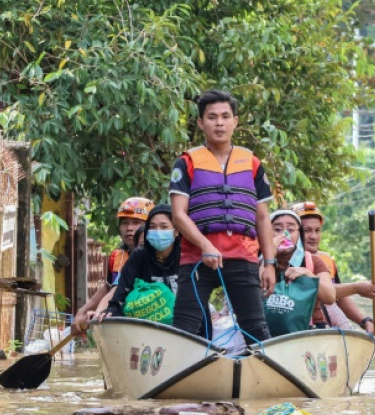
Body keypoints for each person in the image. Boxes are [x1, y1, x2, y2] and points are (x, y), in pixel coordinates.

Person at [169, 90, 276, 341]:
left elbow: (262, 218)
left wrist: (269, 263)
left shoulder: (252, 163)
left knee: (256, 328)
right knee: (185, 328)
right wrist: (206, 245)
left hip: (243, 255)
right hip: (197, 258)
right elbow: (178, 215)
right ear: (201, 123)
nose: (219, 122)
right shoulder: (186, 163)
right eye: (212, 117)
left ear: (235, 121)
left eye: (225, 116)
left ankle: (263, 377)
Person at [291, 201, 375, 335]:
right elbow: (326, 294)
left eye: (317, 230)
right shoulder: (287, 259)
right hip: (299, 327)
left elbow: (339, 297)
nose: (313, 236)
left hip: (326, 326)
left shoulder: (326, 259)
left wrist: (365, 321)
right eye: (307, 230)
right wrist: (357, 288)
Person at [73, 197, 153, 332]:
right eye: (125, 223)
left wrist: (98, 313)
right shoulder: (118, 256)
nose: (129, 228)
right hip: (121, 320)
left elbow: (116, 290)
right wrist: (83, 311)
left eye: (136, 222)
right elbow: (109, 287)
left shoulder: (156, 255)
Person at [100, 204, 181, 319]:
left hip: (185, 324)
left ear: (176, 231)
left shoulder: (187, 256)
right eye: (152, 227)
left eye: (164, 227)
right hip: (145, 326)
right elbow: (120, 292)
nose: (158, 231)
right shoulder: (138, 256)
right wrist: (111, 310)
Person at [266, 209, 336, 328]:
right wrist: (270, 254)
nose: (285, 235)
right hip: (265, 333)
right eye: (278, 229)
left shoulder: (313, 261)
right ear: (266, 233)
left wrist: (308, 275)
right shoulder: (258, 262)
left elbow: (330, 297)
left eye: (291, 230)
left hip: (305, 332)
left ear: (299, 235)